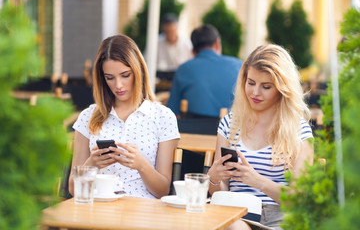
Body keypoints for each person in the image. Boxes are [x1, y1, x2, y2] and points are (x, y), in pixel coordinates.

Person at [207, 44, 314, 229]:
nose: (255, 93)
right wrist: (214, 179)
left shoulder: (299, 131)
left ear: (282, 89)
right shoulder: (230, 124)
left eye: (266, 86)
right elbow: (220, 193)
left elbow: (301, 200)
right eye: (250, 83)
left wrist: (258, 181)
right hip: (237, 213)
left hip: (280, 217)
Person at [68, 35, 180, 199]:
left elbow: (162, 190)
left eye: (125, 75)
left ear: (138, 71)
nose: (118, 85)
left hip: (141, 215)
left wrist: (142, 165)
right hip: (97, 213)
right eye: (110, 78)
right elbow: (73, 189)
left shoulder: (163, 117)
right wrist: (91, 164)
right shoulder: (88, 117)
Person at [166, 24, 243, 118]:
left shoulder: (183, 69)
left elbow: (172, 112)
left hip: (192, 129)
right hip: (230, 129)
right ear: (217, 43)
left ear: (193, 51)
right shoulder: (239, 66)